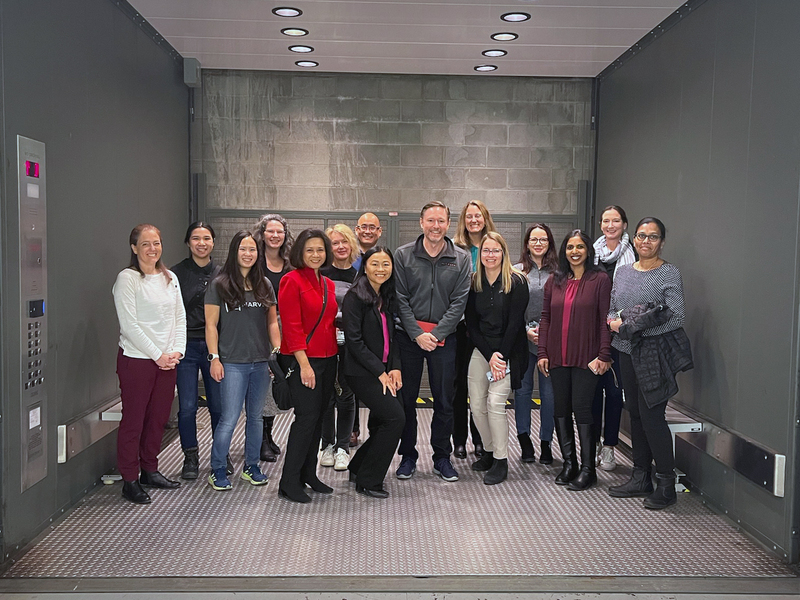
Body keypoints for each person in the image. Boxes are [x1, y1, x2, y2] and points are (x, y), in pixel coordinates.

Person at [607, 217, 691, 510]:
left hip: (654, 353)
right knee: (637, 414)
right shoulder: (623, 273)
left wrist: (632, 327)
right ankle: (640, 476)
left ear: (662, 241)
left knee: (653, 416)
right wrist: (616, 324)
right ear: (634, 240)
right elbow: (611, 312)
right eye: (641, 236)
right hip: (626, 352)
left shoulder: (669, 272)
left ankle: (666, 484)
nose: (646, 241)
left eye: (653, 237)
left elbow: (676, 316)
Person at [394, 201, 472, 482]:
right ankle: (408, 456)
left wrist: (437, 335)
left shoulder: (461, 258)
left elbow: (459, 302)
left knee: (444, 401)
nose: (435, 226)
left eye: (441, 221)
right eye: (431, 220)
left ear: (448, 224)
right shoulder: (403, 255)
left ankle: (442, 457)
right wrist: (417, 333)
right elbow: (399, 298)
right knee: (406, 400)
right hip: (408, 338)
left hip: (444, 340)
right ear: (421, 222)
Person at [113, 224, 186, 505]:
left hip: (167, 362)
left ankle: (149, 469)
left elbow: (180, 318)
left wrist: (176, 351)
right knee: (134, 420)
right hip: (138, 361)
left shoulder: (170, 278)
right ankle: (129, 479)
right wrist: (157, 354)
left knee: (157, 419)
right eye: (145, 244)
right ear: (134, 248)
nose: (152, 249)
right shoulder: (127, 279)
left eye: (156, 243)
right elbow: (129, 325)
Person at [205, 230, 281, 491]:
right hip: (232, 363)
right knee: (229, 418)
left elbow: (272, 321)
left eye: (252, 250)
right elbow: (211, 326)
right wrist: (215, 358)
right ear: (234, 251)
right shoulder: (220, 284)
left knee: (256, 418)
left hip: (260, 362)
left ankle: (251, 466)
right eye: (243, 249)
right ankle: (217, 469)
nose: (248, 254)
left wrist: (277, 351)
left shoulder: (265, 285)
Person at [537, 230, 611, 491]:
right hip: (557, 356)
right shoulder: (554, 281)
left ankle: (589, 469)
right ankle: (570, 464)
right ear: (564, 251)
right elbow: (545, 318)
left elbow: (605, 319)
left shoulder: (600, 279)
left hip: (587, 357)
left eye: (580, 247)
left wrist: (604, 354)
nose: (575, 251)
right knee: (560, 408)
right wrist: (543, 352)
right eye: (570, 247)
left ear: (588, 250)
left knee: (582, 408)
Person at [277, 229, 339, 503]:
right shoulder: (291, 280)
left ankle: (308, 475)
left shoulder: (327, 283)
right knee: (305, 420)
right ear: (300, 252)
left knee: (318, 419)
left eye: (320, 250)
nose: (316, 255)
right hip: (304, 361)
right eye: (310, 250)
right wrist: (304, 364)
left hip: (328, 359)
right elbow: (291, 326)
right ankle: (289, 481)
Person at [465, 233, 528, 485]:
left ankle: (501, 460)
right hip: (482, 351)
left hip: (509, 351)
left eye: (495, 250)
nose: (490, 255)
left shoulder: (517, 281)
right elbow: (471, 324)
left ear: (503, 253)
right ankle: (489, 452)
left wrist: (500, 357)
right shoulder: (473, 282)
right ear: (480, 255)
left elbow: (514, 325)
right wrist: (490, 356)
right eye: (486, 251)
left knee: (494, 403)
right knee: (477, 405)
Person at [342, 246, 405, 498]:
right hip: (361, 372)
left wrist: (396, 367)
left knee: (387, 420)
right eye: (375, 264)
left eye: (386, 264)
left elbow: (393, 337)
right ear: (364, 266)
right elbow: (354, 342)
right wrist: (381, 372)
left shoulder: (386, 295)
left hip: (384, 370)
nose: (381, 269)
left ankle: (358, 467)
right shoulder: (355, 296)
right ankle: (368, 480)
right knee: (395, 419)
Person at [171, 222, 223, 480]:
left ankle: (219, 455)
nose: (201, 243)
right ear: (188, 242)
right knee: (188, 406)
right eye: (195, 238)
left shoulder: (223, 273)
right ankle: (190, 457)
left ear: (213, 242)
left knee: (218, 405)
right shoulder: (175, 273)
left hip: (216, 346)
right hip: (186, 346)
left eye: (206, 238)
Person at [451, 200, 498, 459]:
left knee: (481, 386)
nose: (473, 220)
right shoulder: (456, 248)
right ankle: (459, 440)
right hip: (459, 326)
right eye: (469, 216)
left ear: (485, 217)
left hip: (485, 327)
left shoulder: (493, 247)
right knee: (459, 385)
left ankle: (480, 440)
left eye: (477, 216)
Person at [592, 206, 636, 472]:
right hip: (593, 333)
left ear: (624, 224)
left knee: (614, 391)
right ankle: (594, 442)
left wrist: (615, 322)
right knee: (593, 391)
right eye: (606, 221)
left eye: (616, 220)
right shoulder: (593, 255)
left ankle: (609, 446)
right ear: (600, 225)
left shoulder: (631, 257)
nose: (610, 225)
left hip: (620, 334)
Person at [513, 223, 559, 465]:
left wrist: (548, 332)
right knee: (522, 392)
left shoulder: (560, 273)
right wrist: (525, 331)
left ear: (549, 243)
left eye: (543, 239)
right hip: (523, 341)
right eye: (534, 239)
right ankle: (524, 442)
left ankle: (546, 443)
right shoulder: (516, 271)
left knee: (549, 395)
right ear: (527, 243)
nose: (538, 243)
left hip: (551, 344)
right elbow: (509, 310)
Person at [254, 213, 294, 462]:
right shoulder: (254, 263)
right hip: (259, 327)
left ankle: (268, 434)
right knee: (260, 382)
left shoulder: (290, 264)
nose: (275, 235)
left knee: (275, 382)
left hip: (285, 328)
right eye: (271, 231)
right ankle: (259, 439)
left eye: (280, 231)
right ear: (262, 234)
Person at [319, 224, 359, 471]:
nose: (340, 247)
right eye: (335, 242)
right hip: (323, 343)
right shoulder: (320, 274)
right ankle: (327, 446)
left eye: (344, 242)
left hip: (350, 344)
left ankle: (343, 447)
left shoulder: (360, 275)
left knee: (346, 395)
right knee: (325, 396)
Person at [350, 211, 383, 445]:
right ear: (356, 229)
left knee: (376, 386)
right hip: (350, 333)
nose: (368, 230)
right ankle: (351, 430)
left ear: (379, 232)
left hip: (375, 335)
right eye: (364, 226)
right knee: (350, 387)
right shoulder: (346, 256)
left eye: (373, 227)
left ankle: (375, 429)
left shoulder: (382, 259)